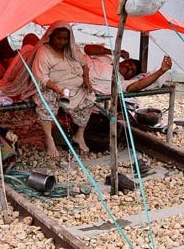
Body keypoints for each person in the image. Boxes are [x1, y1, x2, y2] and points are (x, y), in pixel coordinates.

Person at [32, 21, 95, 158]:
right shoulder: (44, 52)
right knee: (46, 100)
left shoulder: (72, 49)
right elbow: (41, 76)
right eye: (58, 38)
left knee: (90, 96)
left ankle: (79, 134)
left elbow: (84, 64)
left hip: (75, 85)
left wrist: (86, 80)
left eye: (65, 39)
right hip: (53, 86)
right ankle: (49, 138)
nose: (62, 41)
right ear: (51, 36)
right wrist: (56, 88)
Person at [84, 43, 172, 94]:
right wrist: (115, 52)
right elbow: (87, 49)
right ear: (123, 61)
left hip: (79, 76)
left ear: (129, 78)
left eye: (132, 71)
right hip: (76, 62)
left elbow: (139, 85)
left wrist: (161, 71)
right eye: (129, 63)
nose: (129, 67)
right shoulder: (106, 58)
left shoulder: (121, 82)